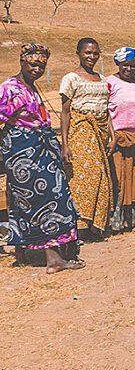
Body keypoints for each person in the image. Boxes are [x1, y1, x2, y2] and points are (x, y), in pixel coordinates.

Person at [1, 44, 83, 273]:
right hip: (24, 156)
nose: (37, 69)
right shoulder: (10, 88)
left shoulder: (31, 87)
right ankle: (54, 260)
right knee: (48, 199)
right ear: (22, 62)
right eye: (33, 64)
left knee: (50, 197)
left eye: (42, 65)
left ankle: (34, 253)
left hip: (40, 152)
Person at [60, 37, 113, 237]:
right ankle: (80, 225)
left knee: (101, 176)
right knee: (82, 179)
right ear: (78, 53)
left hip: (99, 133)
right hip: (80, 133)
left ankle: (96, 224)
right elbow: (65, 112)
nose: (91, 57)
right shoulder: (71, 79)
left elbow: (106, 111)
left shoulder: (102, 79)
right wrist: (65, 144)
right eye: (87, 53)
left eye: (95, 53)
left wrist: (112, 135)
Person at [107, 47, 135, 233]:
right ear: (119, 64)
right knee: (118, 180)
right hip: (118, 139)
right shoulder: (109, 83)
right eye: (125, 65)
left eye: (133, 66)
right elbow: (105, 112)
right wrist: (111, 137)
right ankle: (117, 222)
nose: (129, 69)